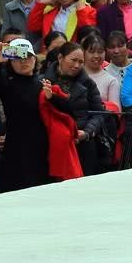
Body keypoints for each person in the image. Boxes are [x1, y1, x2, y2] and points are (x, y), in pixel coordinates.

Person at [0, 38, 51, 191]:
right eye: (18, 57)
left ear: (35, 59)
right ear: (11, 62)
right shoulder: (8, 85)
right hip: (16, 148)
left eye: (28, 56)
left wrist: (52, 97)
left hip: (42, 147)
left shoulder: (44, 85)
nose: (24, 61)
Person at [44, 41, 107, 175]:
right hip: (52, 143)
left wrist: (87, 132)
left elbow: (99, 113)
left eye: (81, 61)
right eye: (73, 60)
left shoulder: (88, 83)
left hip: (82, 143)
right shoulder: (44, 81)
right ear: (60, 58)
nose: (77, 65)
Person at [27, 0, 98, 43]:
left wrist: (81, 11)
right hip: (51, 52)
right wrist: (42, 3)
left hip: (74, 52)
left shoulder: (88, 10)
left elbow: (88, 33)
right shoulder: (50, 11)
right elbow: (33, 26)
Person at [80, 31, 121, 108]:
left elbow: (116, 109)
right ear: (83, 52)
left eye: (100, 52)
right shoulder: (74, 74)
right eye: (91, 52)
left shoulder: (111, 80)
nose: (96, 56)